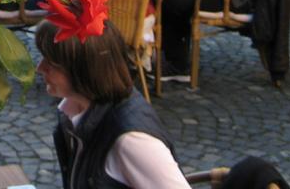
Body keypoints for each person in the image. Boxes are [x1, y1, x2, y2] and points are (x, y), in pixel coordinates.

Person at [35, 18, 190, 188]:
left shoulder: (131, 142)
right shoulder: (75, 110)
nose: (40, 67)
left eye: (51, 63)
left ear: (82, 68)